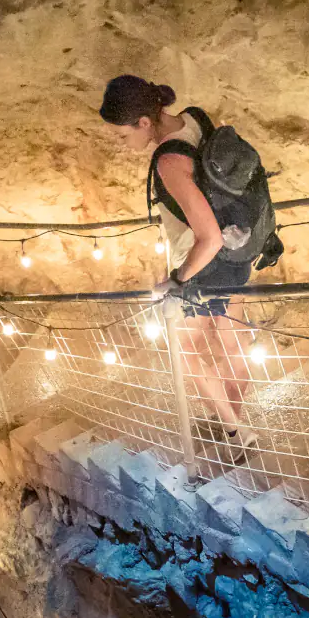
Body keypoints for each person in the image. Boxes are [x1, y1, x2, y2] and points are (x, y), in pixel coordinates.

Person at [99, 74, 260, 461]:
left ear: (143, 122)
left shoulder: (169, 161)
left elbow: (208, 238)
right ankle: (234, 421)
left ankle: (237, 430)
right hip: (237, 253)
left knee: (184, 349)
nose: (123, 144)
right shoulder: (196, 117)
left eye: (123, 135)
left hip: (203, 267)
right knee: (232, 343)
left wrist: (176, 279)